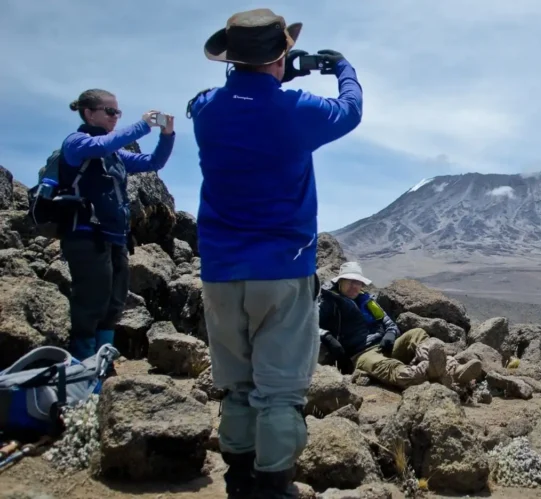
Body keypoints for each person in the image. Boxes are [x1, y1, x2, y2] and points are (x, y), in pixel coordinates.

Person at [187, 8, 363, 499]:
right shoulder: (295, 110)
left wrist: (278, 68)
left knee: (238, 387)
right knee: (279, 391)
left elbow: (231, 95)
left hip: (221, 271)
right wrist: (341, 67)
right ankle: (273, 486)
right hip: (282, 270)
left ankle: (238, 481)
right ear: (281, 55)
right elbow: (349, 111)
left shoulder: (206, 110)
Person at [60, 88, 175, 362]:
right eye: (110, 111)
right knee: (91, 300)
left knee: (114, 303)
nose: (115, 117)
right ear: (89, 113)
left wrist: (166, 134)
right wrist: (143, 125)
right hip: (86, 235)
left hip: (116, 237)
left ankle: (103, 362)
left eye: (117, 112)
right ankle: (83, 363)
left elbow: (153, 162)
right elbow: (101, 146)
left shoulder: (115, 156)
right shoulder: (77, 143)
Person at [318, 262, 484, 389]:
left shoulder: (366, 300)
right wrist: (328, 337)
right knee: (389, 367)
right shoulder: (329, 301)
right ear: (340, 281)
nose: (355, 286)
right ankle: (421, 374)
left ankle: (453, 369)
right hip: (360, 354)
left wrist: (390, 333)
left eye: (358, 282)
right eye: (350, 281)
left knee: (417, 333)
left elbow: (388, 323)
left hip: (384, 346)